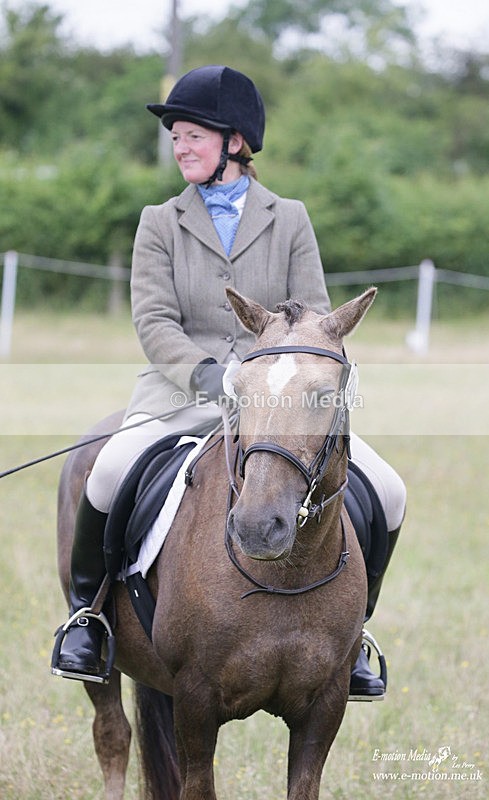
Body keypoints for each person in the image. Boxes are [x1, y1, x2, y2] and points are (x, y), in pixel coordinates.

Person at [52, 65, 406, 700]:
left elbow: (314, 315)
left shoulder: (290, 217)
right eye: (176, 137)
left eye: (193, 135)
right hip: (181, 392)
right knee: (107, 473)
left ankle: (354, 636)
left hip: (280, 400)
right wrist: (211, 376)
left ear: (235, 142)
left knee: (389, 489)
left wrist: (273, 380)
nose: (180, 146)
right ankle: (90, 620)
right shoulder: (159, 222)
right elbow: (154, 319)